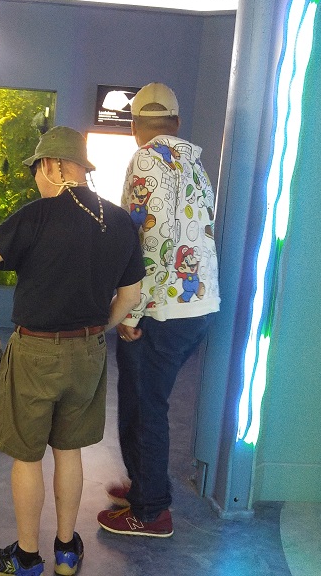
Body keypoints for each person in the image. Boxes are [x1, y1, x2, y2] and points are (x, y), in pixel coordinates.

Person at [0, 126, 144, 576]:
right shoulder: (118, 221)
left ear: (53, 165)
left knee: (28, 455)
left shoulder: (38, 215)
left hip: (36, 352)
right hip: (89, 353)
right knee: (70, 452)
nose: (36, 177)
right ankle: (68, 551)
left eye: (37, 168)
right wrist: (99, 330)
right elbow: (130, 297)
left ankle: (28, 556)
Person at [97, 82, 221, 538]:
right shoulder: (194, 162)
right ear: (177, 122)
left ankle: (150, 510)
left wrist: (130, 311)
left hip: (161, 309)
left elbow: (149, 239)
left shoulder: (147, 158)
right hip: (197, 304)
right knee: (145, 400)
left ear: (134, 127)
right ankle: (143, 485)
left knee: (146, 404)